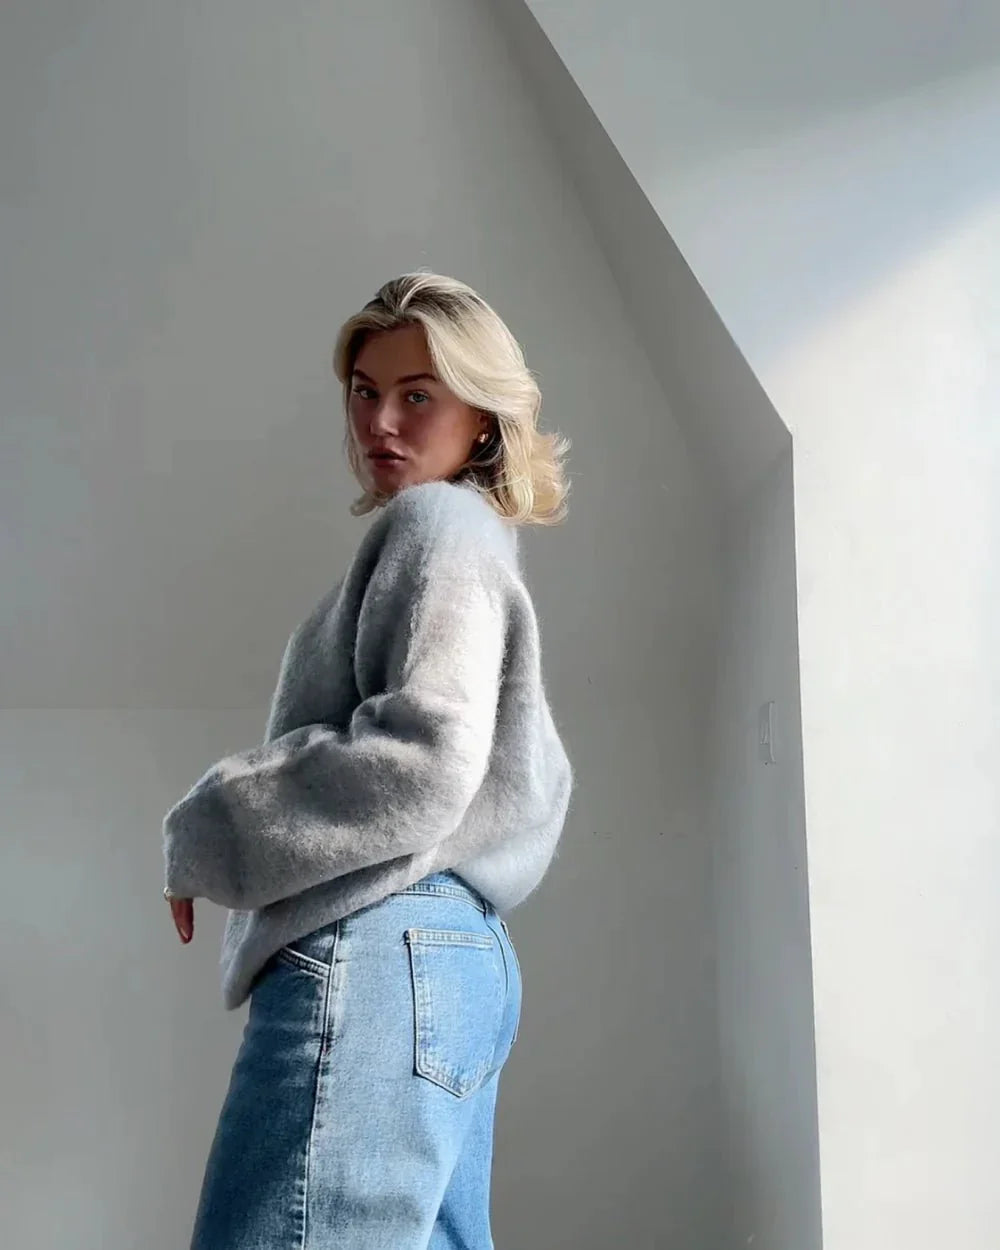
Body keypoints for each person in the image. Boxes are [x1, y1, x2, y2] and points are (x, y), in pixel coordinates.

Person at [161, 271, 574, 1249]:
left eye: (417, 394)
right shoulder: (476, 541)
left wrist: (206, 826)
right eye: (364, 390)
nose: (380, 420)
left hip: (377, 942)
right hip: (455, 957)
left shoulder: (437, 526)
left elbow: (423, 755)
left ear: (481, 417)